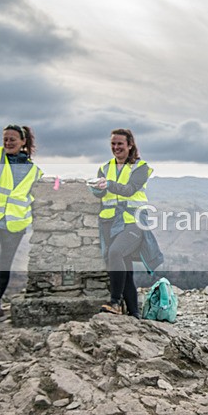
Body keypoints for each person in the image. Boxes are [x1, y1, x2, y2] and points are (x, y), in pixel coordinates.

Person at [0, 124, 43, 322]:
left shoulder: (33, 170)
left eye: (12, 139)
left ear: (23, 142)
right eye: (5, 139)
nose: (7, 142)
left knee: (5, 264)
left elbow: (39, 191)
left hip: (15, 224)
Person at [91, 128, 156, 319]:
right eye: (113, 143)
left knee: (115, 253)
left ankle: (115, 302)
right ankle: (134, 313)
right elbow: (102, 194)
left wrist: (109, 184)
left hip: (132, 220)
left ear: (130, 145)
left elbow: (129, 190)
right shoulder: (105, 168)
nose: (116, 147)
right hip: (110, 222)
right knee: (125, 269)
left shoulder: (140, 167)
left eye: (120, 143)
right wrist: (97, 189)